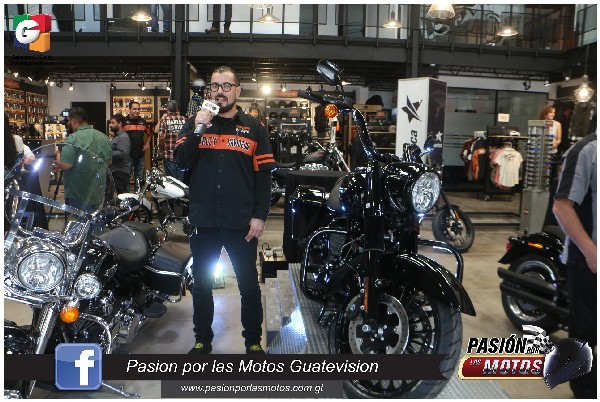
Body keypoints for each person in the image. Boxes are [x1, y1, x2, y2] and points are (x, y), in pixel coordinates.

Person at [175, 66, 276, 355]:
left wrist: (260, 216)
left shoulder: (255, 128)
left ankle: (252, 342)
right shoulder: (195, 123)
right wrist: (199, 127)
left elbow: (263, 178)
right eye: (215, 86)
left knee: (249, 286)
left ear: (237, 91)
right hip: (204, 222)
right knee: (202, 287)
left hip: (241, 223)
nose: (220, 91)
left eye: (226, 86)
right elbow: (181, 161)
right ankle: (202, 340)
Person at [552, 131, 597, 399]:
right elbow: (562, 207)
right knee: (585, 332)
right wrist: (591, 253)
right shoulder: (586, 151)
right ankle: (584, 391)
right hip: (588, 263)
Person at [55, 107, 112, 213]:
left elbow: (66, 165)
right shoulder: (103, 137)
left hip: (79, 193)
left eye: (68, 120)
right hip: (98, 191)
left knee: (80, 221)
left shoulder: (73, 138)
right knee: (93, 218)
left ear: (73, 120)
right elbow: (109, 161)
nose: (67, 123)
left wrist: (58, 155)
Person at [124, 101, 151, 191]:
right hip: (128, 155)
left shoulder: (143, 122)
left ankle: (138, 196)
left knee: (139, 178)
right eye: (134, 109)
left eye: (138, 109)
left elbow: (149, 134)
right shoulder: (124, 122)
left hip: (140, 155)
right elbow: (116, 134)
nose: (137, 111)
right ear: (129, 110)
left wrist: (147, 144)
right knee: (126, 177)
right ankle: (127, 196)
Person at [156, 100, 186, 181]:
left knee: (171, 181)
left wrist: (160, 150)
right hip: (181, 154)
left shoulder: (165, 120)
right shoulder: (184, 119)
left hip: (169, 155)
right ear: (177, 109)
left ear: (167, 109)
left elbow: (162, 137)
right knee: (181, 182)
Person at [108, 114, 131, 194]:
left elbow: (122, 153)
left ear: (120, 124)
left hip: (119, 173)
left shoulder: (123, 137)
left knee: (120, 197)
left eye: (113, 123)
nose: (110, 125)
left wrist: (107, 153)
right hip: (115, 171)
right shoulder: (117, 136)